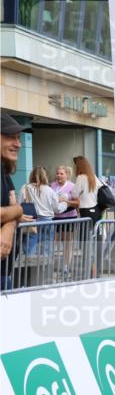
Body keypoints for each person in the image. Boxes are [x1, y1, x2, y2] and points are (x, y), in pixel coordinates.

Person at [1, 112, 29, 290]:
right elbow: (14, 209)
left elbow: (10, 208)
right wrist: (17, 212)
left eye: (18, 138)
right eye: (11, 137)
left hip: (4, 272)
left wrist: (8, 228)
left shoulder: (3, 169)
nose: (18, 144)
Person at [20, 166, 66, 256]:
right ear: (45, 176)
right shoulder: (49, 190)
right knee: (47, 251)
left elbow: (19, 205)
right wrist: (65, 203)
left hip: (31, 221)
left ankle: (30, 269)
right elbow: (58, 209)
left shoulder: (25, 188)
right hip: (47, 222)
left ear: (32, 175)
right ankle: (45, 269)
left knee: (29, 250)